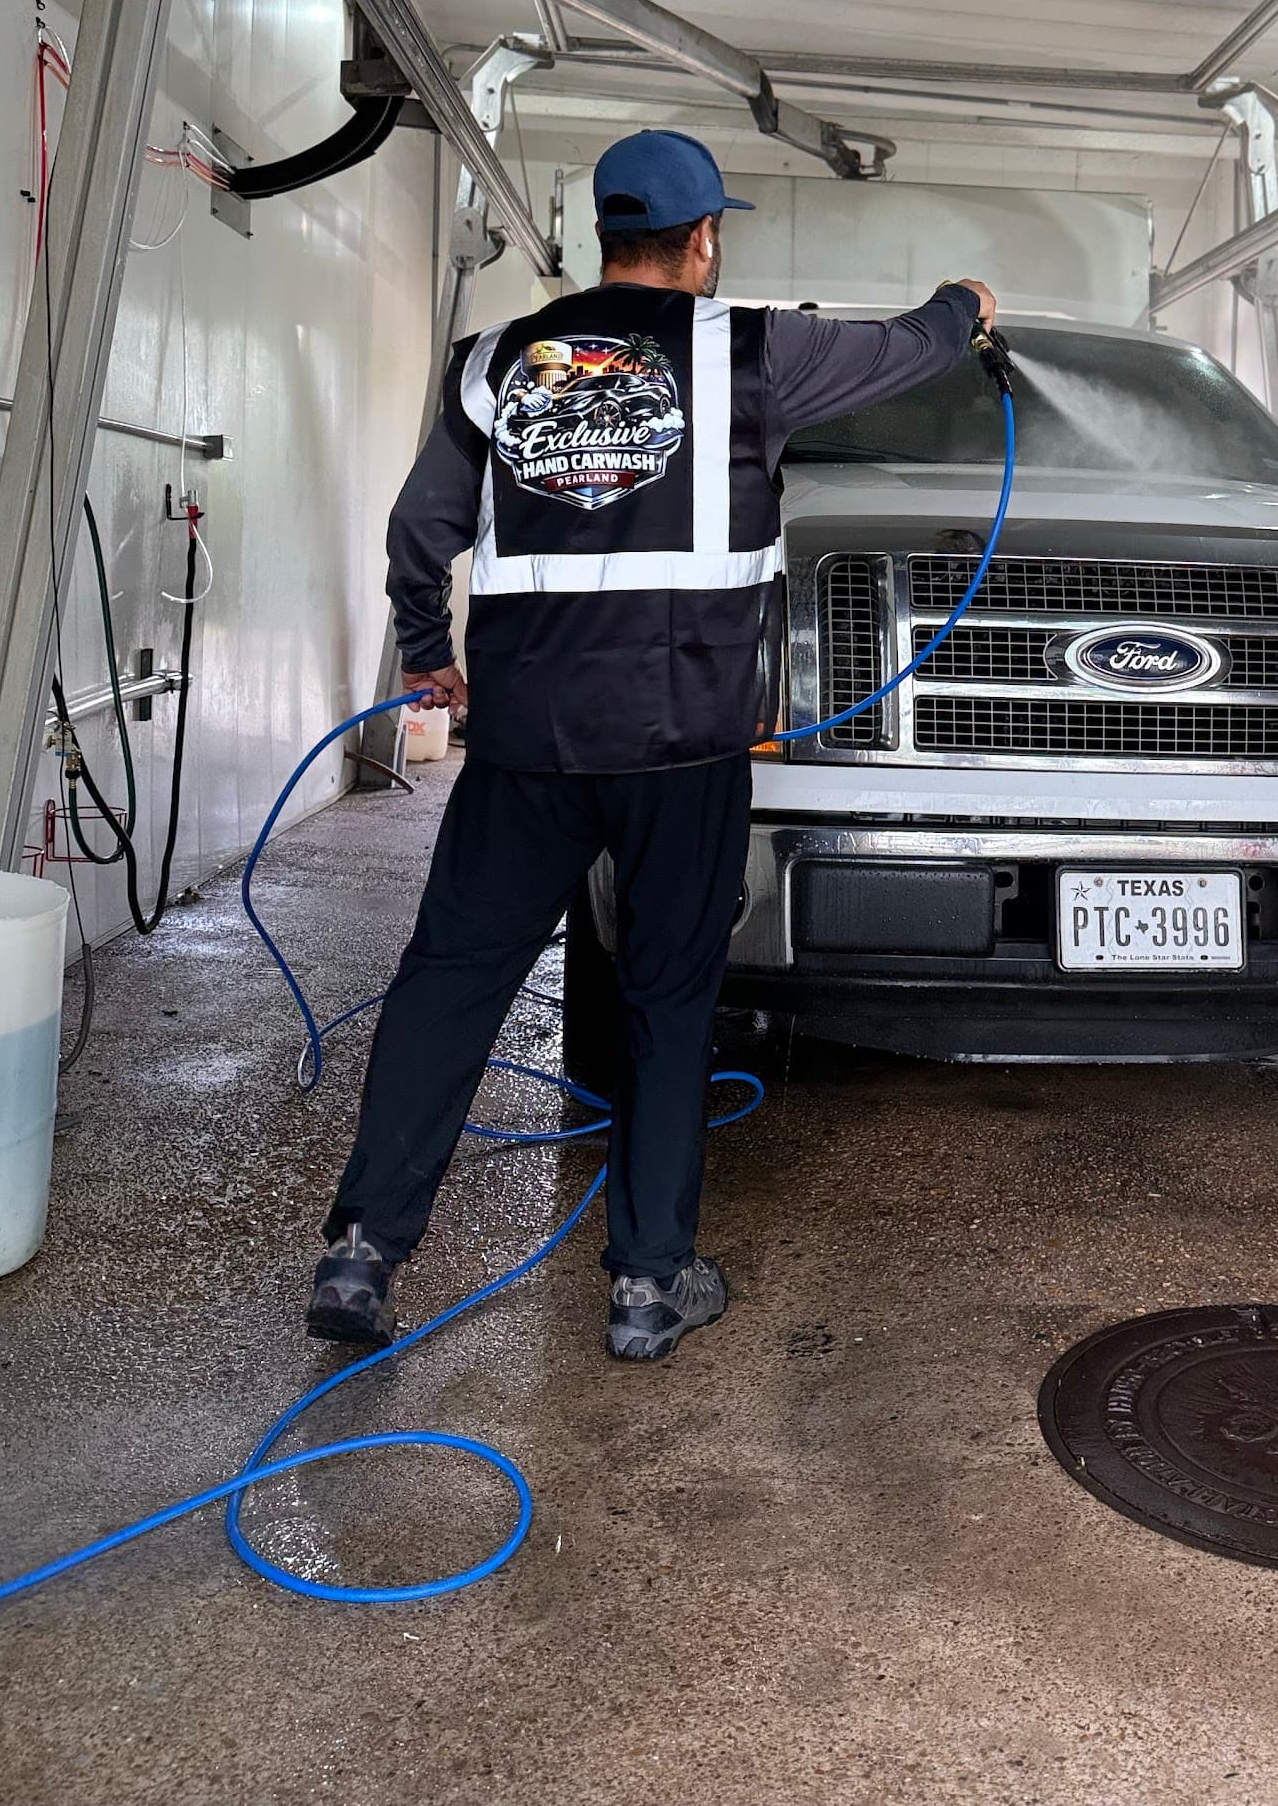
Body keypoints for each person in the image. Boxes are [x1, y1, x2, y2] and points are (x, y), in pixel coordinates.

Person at [307, 128, 995, 1362]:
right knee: (668, 1002)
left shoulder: (497, 359)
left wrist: (428, 653)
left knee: (451, 980)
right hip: (685, 749)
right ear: (703, 240)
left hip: (526, 747)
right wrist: (967, 301)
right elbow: (917, 347)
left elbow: (422, 530)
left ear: (602, 235)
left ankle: (362, 1250)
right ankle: (646, 1283)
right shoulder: (758, 350)